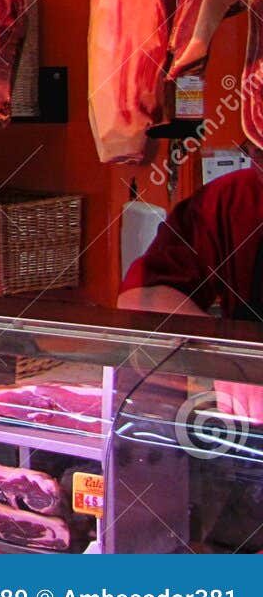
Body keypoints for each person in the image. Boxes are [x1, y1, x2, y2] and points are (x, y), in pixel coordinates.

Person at [118, 160, 263, 420]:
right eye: (258, 154)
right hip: (248, 423)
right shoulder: (234, 196)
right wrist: (233, 358)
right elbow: (141, 299)